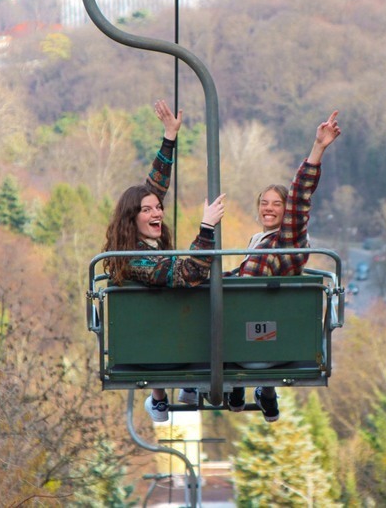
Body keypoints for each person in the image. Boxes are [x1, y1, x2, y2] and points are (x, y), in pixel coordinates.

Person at [102, 99, 226, 423]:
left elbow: (154, 187)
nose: (157, 212)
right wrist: (207, 228)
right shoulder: (136, 261)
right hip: (159, 340)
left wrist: (169, 138)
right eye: (148, 211)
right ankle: (164, 392)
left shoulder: (147, 245)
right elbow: (189, 274)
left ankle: (167, 394)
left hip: (171, 333)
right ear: (133, 220)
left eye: (158, 208)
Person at [228, 110, 342, 422]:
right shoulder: (257, 242)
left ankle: (251, 385)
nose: (269, 207)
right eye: (264, 202)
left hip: (265, 327)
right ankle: (250, 388)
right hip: (245, 319)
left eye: (277, 203)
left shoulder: (289, 241)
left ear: (286, 211)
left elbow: (301, 198)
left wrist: (317, 149)